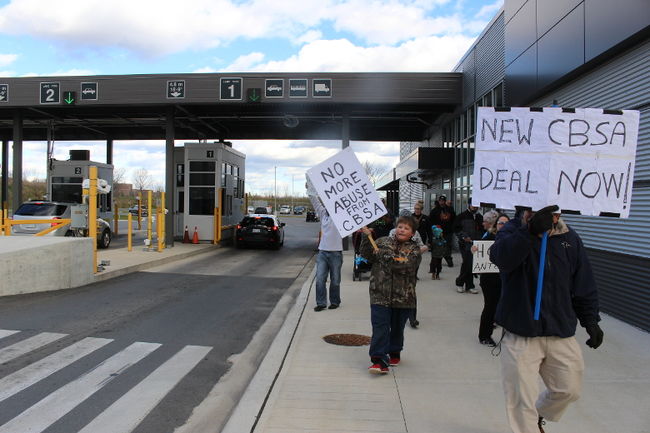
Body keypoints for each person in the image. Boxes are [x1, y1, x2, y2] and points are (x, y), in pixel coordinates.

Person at [490, 205, 603, 433]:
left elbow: (583, 280)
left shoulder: (569, 238)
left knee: (568, 388)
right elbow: (501, 258)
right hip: (521, 330)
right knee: (521, 399)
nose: (551, 217)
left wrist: (590, 319)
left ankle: (540, 414)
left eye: (554, 212)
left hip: (559, 328)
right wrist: (529, 232)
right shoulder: (511, 231)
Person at [360, 216, 422, 374]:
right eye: (400, 226)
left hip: (403, 297)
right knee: (380, 327)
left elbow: (404, 264)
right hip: (379, 293)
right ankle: (378, 360)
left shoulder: (414, 250)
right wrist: (366, 237)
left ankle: (394, 351)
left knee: (396, 328)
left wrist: (382, 256)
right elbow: (367, 254)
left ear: (412, 233)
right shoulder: (382, 242)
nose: (402, 230)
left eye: (406, 228)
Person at [471, 211, 509, 346]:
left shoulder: (514, 239)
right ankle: (484, 336)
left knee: (505, 307)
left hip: (506, 279)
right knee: (490, 307)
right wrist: (474, 250)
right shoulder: (489, 236)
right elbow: (479, 250)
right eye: (500, 223)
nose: (503, 225)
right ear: (496, 224)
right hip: (490, 279)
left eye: (506, 223)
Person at [306, 182, 343, 312]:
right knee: (320, 279)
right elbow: (315, 201)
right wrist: (310, 189)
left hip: (336, 253)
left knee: (335, 280)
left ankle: (335, 301)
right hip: (322, 253)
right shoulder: (323, 214)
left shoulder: (341, 217)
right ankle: (321, 303)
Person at [389, 209, 428, 329]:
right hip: (396, 266)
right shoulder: (392, 232)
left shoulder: (415, 233)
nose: (403, 229)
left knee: (411, 290)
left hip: (412, 264)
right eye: (401, 224)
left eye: (407, 225)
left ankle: (412, 318)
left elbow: (422, 245)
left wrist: (419, 250)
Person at [453, 199, 483, 293]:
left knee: (471, 264)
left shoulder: (479, 217)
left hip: (476, 244)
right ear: (469, 205)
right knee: (467, 262)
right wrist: (463, 236)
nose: (475, 207)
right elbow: (456, 228)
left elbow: (483, 229)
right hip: (465, 244)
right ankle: (460, 283)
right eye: (473, 205)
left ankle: (469, 285)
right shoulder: (462, 216)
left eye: (476, 205)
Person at [429, 195, 455, 267]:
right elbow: (430, 221)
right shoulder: (434, 211)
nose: (442, 202)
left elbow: (454, 219)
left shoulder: (450, 209)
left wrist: (452, 228)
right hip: (437, 232)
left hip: (448, 232)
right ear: (439, 201)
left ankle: (448, 258)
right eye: (440, 201)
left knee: (447, 246)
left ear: (445, 201)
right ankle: (435, 261)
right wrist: (433, 230)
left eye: (443, 201)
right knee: (437, 247)